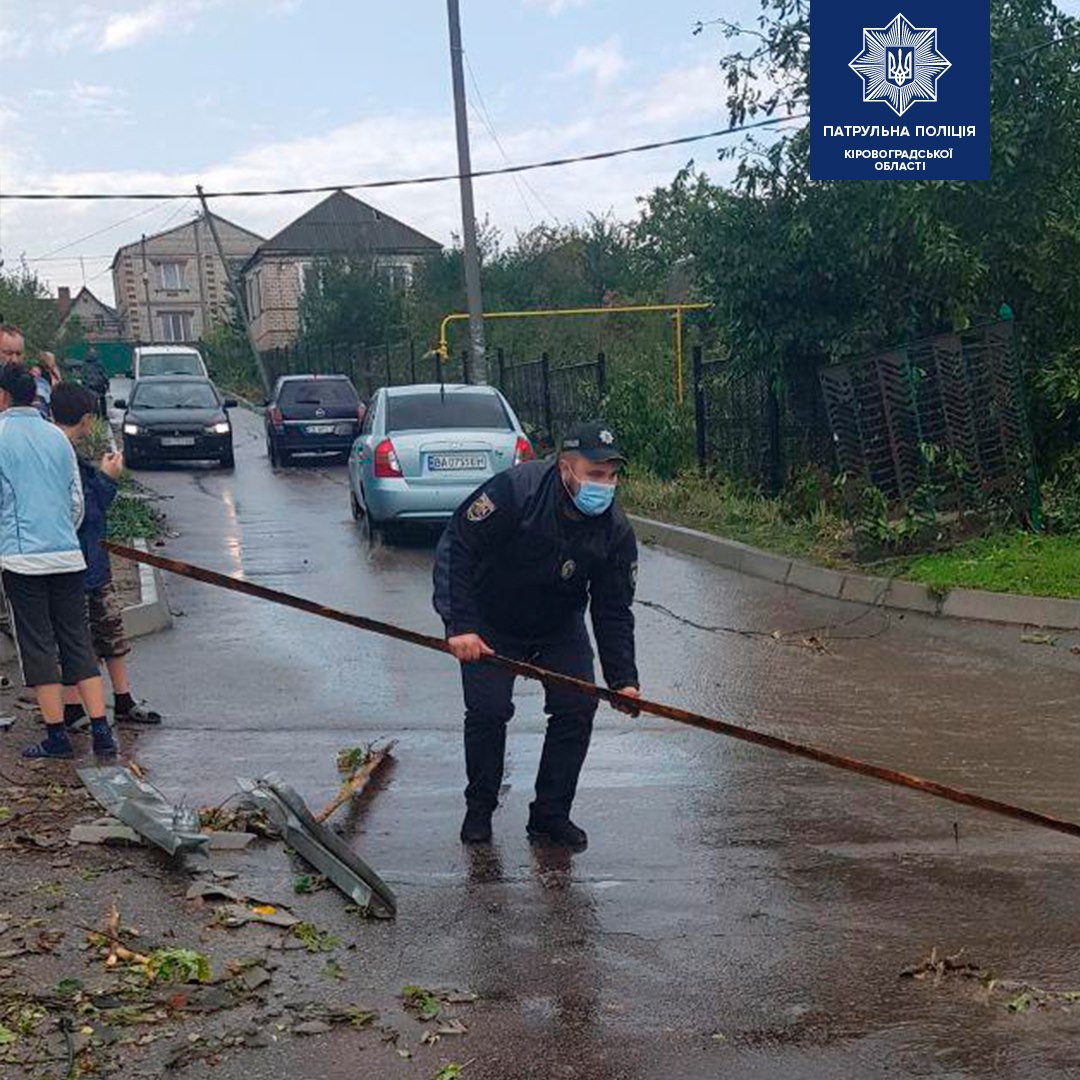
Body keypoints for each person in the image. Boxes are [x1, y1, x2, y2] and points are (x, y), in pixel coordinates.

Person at [433, 420, 641, 851]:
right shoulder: (516, 491)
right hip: (490, 619)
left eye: (611, 475)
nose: (604, 484)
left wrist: (623, 679)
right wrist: (460, 626)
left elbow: (613, 608)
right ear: (566, 468)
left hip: (557, 624)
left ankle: (550, 814)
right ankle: (480, 807)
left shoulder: (614, 531)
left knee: (577, 705)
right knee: (489, 711)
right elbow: (459, 547)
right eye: (594, 473)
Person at [0, 363, 117, 759]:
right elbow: (76, 502)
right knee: (77, 641)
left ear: (2, 396)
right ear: (35, 395)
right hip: (67, 554)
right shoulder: (56, 437)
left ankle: (57, 736)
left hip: (21, 560)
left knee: (37, 646)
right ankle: (102, 731)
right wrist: (60, 532)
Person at [51, 384, 161, 730]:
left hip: (92, 564)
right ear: (86, 420)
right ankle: (73, 709)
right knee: (76, 638)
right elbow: (86, 511)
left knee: (110, 631)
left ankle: (123, 699)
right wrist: (108, 478)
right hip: (74, 564)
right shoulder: (61, 456)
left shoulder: (67, 453)